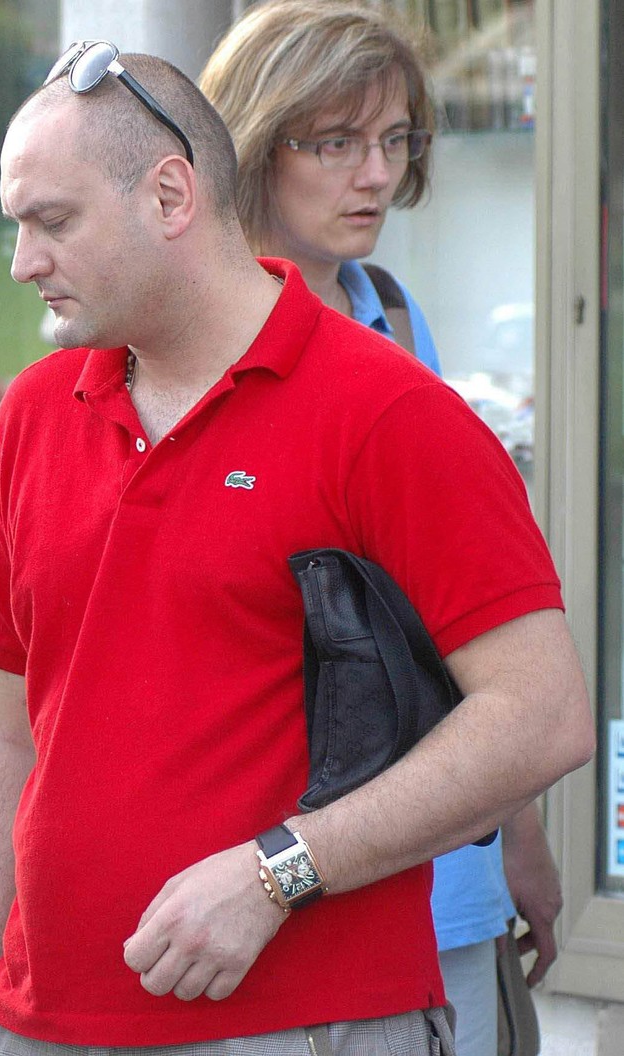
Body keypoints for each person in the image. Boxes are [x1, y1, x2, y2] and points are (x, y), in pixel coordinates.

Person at [0, 39, 593, 1056]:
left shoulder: (388, 413)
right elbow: (8, 732)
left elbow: (541, 717)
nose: (23, 261)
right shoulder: (34, 412)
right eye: (17, 223)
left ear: (170, 197)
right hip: (35, 1023)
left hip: (310, 1023)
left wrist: (278, 872)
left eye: (53, 222)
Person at [197, 3, 563, 1053]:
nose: (375, 176)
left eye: (396, 141)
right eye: (336, 142)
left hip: (438, 873)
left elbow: (457, 632)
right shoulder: (187, 349)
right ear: (253, 143)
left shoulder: (394, 324)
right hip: (253, 879)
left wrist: (518, 839)